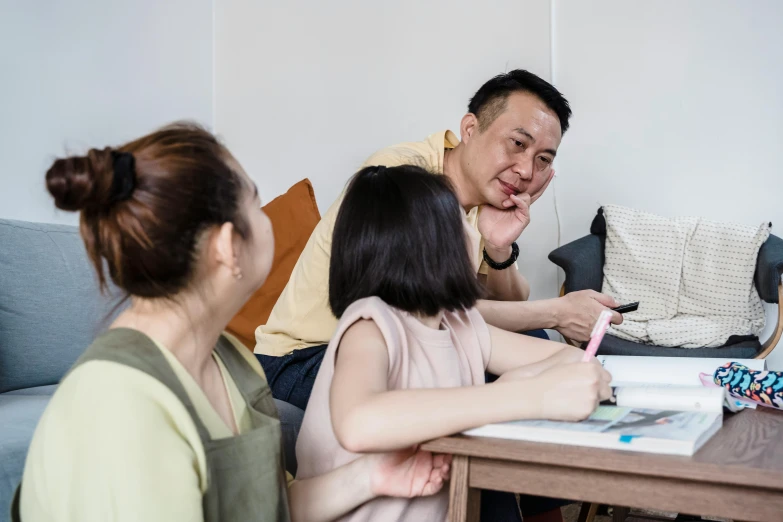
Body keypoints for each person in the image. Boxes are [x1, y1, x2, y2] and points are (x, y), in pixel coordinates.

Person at [13, 124, 452, 522]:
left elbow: (269, 506)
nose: (267, 224)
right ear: (227, 245)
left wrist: (372, 477)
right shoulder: (120, 402)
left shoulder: (229, 360)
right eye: (256, 206)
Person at [254, 69, 622, 412]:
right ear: (470, 128)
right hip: (306, 356)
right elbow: (422, 311)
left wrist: (498, 249)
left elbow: (509, 306)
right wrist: (557, 312)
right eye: (516, 143)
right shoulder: (404, 177)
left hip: (395, 341)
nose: (526, 171)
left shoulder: (486, 195)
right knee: (481, 368)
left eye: (542, 159)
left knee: (536, 340)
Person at [295, 165, 613, 522]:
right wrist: (524, 395)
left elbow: (566, 357)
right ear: (432, 244)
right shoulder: (370, 325)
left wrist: (531, 383)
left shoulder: (459, 323)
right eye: (463, 220)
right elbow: (359, 422)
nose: (473, 229)